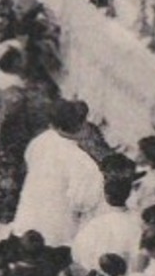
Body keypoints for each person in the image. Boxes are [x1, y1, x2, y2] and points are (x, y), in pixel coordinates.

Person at [11, 99, 103, 247]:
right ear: (80, 125)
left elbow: (28, 159)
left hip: (27, 218)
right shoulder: (82, 161)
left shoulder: (42, 140)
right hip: (57, 232)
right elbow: (83, 202)